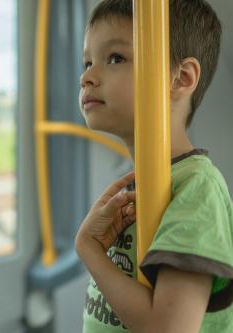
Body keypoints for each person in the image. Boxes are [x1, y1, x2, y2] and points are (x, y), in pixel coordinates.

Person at [74, 0, 233, 332]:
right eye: (87, 61)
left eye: (115, 58)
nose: (87, 76)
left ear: (180, 78)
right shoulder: (137, 182)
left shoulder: (196, 187)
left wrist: (90, 251)